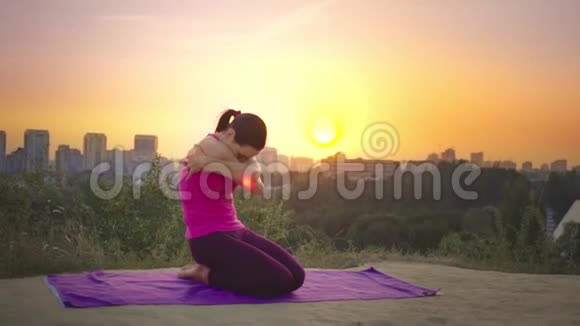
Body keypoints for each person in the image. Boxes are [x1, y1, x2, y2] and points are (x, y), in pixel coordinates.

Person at [177, 109, 305, 298]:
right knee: (280, 280)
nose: (243, 159)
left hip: (236, 231)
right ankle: (204, 274)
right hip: (208, 239)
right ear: (230, 134)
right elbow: (248, 173)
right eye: (242, 155)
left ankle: (212, 271)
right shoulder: (206, 146)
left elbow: (257, 187)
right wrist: (244, 166)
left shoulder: (217, 153)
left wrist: (210, 163)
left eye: (248, 157)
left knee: (297, 277)